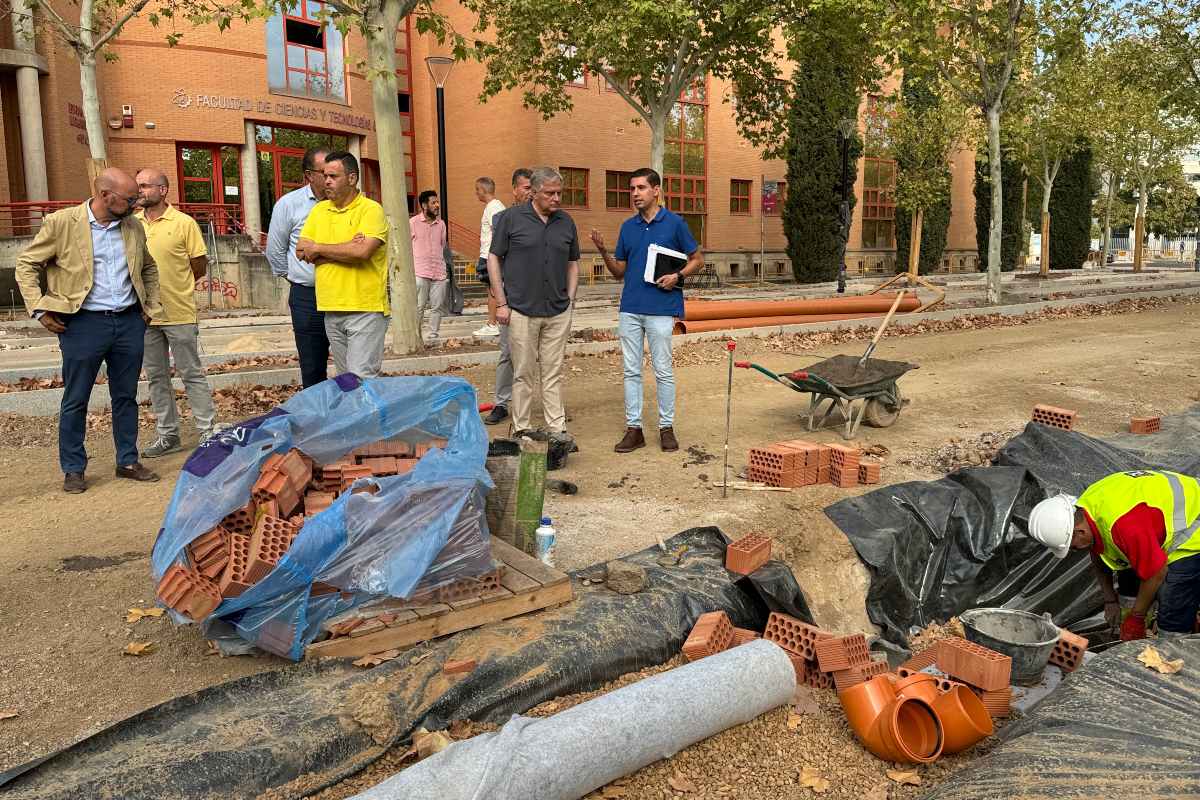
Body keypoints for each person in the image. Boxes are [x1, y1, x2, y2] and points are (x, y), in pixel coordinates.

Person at [15, 168, 163, 492]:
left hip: (128, 321)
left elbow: (149, 267)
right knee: (76, 397)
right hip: (82, 323)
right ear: (105, 195)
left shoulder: (133, 226)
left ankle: (127, 460)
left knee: (126, 396)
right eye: (129, 198)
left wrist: (150, 307)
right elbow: (26, 264)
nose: (136, 203)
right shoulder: (62, 223)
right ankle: (73, 468)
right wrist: (39, 308)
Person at [591, 167, 702, 453]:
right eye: (632, 189)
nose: (635, 194)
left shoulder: (675, 223)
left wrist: (677, 276)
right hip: (630, 308)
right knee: (631, 371)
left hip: (662, 309)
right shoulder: (628, 227)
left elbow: (697, 259)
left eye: (640, 188)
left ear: (656, 191)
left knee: (663, 370)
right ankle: (634, 429)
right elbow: (619, 272)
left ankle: (666, 428)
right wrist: (603, 251)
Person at [1028, 470, 1200, 641]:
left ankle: (1172, 649)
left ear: (1078, 531)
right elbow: (1098, 554)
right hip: (1153, 520)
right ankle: (1134, 640)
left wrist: (1137, 618)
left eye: (1071, 546)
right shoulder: (1086, 511)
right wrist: (1110, 600)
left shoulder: (1126, 527)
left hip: (1193, 524)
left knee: (1174, 602)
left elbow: (1157, 573)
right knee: (1129, 579)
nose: (1073, 550)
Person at [487, 166, 579, 440]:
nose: (556, 199)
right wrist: (501, 303)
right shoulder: (511, 219)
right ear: (534, 193)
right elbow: (494, 258)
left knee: (552, 373)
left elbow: (573, 263)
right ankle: (522, 429)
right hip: (521, 310)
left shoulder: (566, 222)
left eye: (559, 193)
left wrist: (570, 300)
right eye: (550, 193)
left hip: (557, 310)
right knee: (523, 374)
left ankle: (557, 429)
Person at [133, 168, 218, 457]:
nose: (140, 190)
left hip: (179, 312)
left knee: (191, 373)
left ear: (163, 190)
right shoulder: (131, 224)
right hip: (144, 315)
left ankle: (207, 432)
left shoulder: (184, 223)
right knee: (157, 377)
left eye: (145, 186)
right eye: (138, 186)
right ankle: (168, 435)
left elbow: (199, 265)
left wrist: (179, 288)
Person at [295, 151, 389, 377]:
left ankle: (370, 415)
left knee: (361, 379)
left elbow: (362, 252)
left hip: (365, 309)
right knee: (346, 381)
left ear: (352, 178)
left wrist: (319, 249)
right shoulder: (319, 210)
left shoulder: (371, 210)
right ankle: (355, 414)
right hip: (331, 308)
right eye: (325, 175)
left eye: (333, 176)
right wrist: (346, 247)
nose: (326, 181)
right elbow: (301, 251)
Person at [266, 147, 331, 388]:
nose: (330, 178)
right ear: (308, 175)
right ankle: (316, 419)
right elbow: (275, 250)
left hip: (344, 294)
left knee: (352, 364)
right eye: (324, 172)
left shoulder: (347, 204)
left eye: (335, 172)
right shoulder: (289, 204)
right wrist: (296, 276)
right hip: (307, 296)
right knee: (313, 365)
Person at [483, 168, 532, 426]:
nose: (530, 192)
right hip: (511, 299)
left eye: (533, 187)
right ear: (514, 189)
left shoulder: (545, 220)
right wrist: (499, 293)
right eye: (526, 187)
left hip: (538, 299)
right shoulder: (502, 219)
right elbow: (494, 257)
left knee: (541, 355)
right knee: (507, 352)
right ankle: (501, 403)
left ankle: (548, 405)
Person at [411, 189, 448, 344]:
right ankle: (416, 334)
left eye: (437, 202)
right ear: (424, 205)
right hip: (420, 271)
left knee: (437, 306)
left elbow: (442, 244)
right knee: (419, 306)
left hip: (439, 271)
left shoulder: (441, 224)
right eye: (433, 203)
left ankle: (433, 334)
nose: (437, 205)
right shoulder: (412, 223)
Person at [473, 176, 506, 338]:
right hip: (490, 255)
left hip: (490, 256)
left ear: (483, 190)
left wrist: (494, 256)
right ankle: (493, 322)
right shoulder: (493, 206)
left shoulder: (494, 207)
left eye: (477, 190)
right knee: (492, 289)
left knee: (493, 290)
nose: (476, 193)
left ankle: (492, 323)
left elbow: (498, 231)